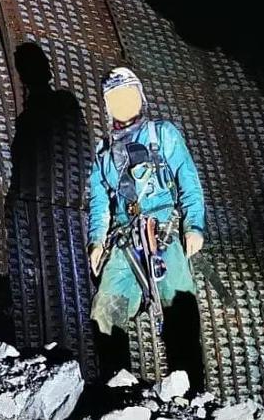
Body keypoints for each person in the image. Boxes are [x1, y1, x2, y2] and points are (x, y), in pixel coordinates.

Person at [88, 67, 206, 385]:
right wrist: (96, 242)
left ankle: (190, 391)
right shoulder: (102, 155)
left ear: (140, 98)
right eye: (115, 99)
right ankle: (120, 386)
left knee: (180, 305)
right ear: (107, 106)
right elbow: (100, 203)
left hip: (163, 230)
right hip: (126, 239)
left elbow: (187, 177)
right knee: (106, 310)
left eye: (127, 97)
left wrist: (194, 225)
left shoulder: (163, 134)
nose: (123, 105)